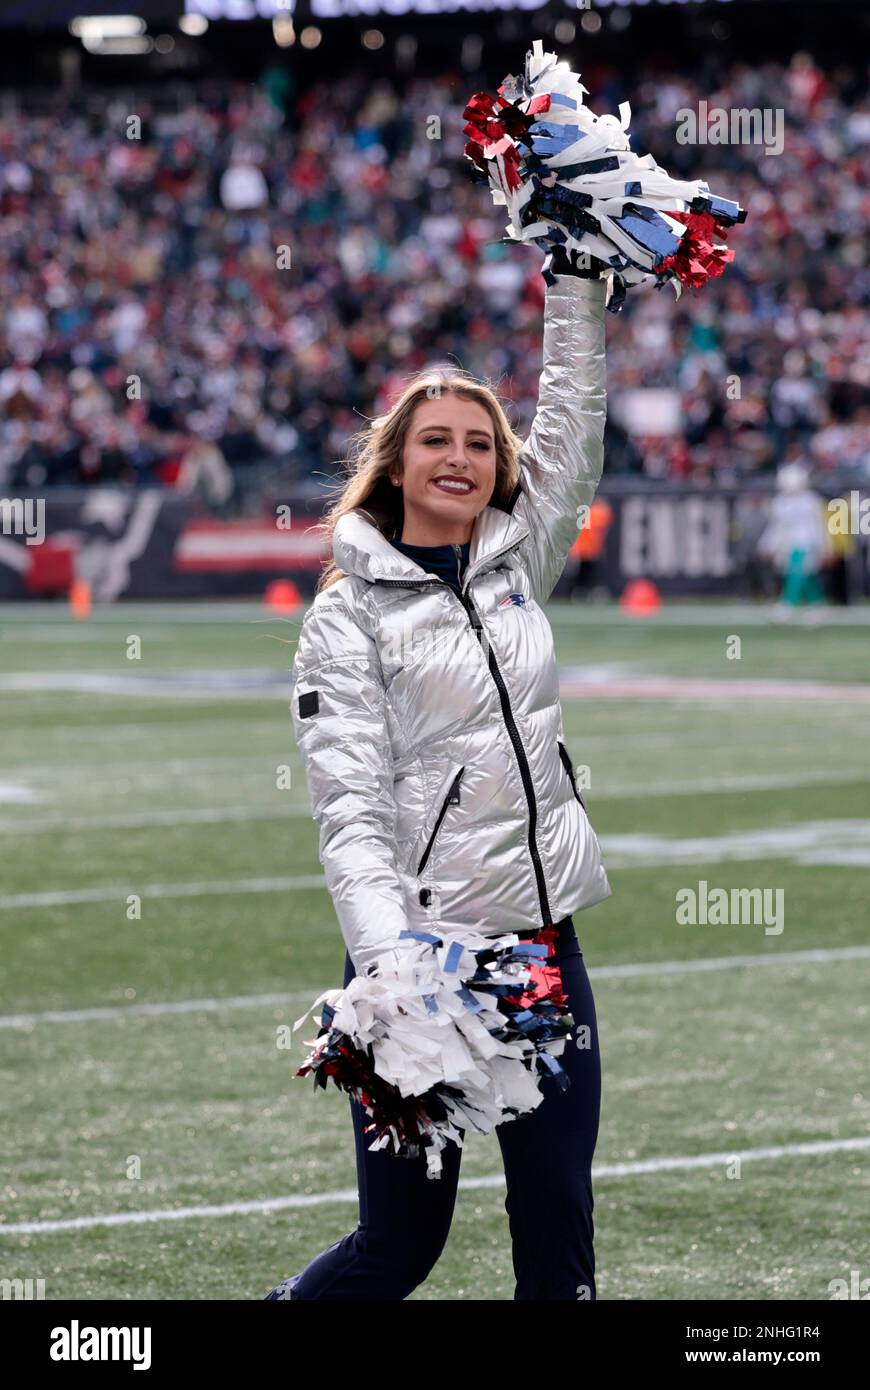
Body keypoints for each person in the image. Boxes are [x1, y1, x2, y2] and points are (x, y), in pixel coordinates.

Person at [265, 249, 611, 1301]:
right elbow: (352, 815)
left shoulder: (519, 562)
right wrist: (392, 973)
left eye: (478, 443)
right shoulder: (348, 614)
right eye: (435, 441)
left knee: (557, 1215)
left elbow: (575, 425)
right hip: (423, 957)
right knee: (401, 1245)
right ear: (399, 462)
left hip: (542, 942)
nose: (458, 459)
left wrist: (575, 278)